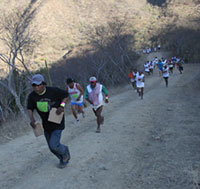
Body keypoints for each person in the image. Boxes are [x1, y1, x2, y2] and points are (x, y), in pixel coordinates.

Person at [27, 74, 70, 169]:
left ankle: (65, 152)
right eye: (34, 85)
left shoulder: (53, 91)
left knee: (54, 145)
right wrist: (32, 119)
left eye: (38, 85)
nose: (36, 88)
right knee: (51, 148)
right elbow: (30, 108)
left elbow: (65, 95)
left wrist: (62, 106)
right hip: (46, 125)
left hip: (57, 122)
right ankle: (63, 157)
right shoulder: (32, 96)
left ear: (44, 84)